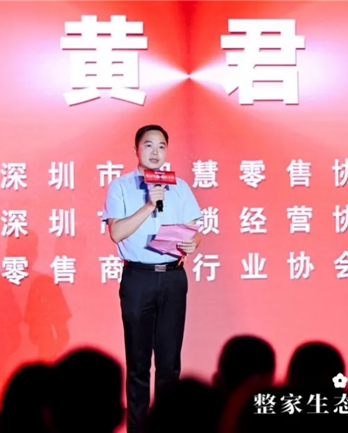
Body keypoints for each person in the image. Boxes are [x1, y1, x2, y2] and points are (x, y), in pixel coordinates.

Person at [102, 124, 203, 433]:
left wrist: (192, 243)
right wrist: (149, 205)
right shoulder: (120, 187)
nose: (155, 152)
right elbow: (116, 232)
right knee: (138, 363)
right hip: (138, 279)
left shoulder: (180, 187)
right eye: (148, 145)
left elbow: (195, 231)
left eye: (161, 146)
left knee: (170, 363)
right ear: (136, 150)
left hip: (173, 278)